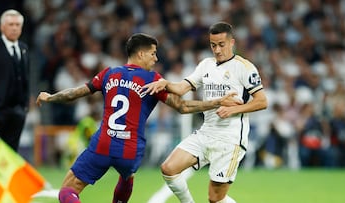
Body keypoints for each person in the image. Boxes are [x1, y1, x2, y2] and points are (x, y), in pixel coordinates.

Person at [36, 33, 241, 203]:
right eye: (153, 53)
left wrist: (50, 97)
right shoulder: (152, 80)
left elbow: (74, 93)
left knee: (67, 191)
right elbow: (183, 106)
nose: (156, 58)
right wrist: (217, 102)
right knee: (127, 176)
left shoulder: (109, 73)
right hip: (130, 149)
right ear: (141, 54)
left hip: (103, 143)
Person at [144, 22, 268, 203]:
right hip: (206, 132)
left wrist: (235, 109)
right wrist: (165, 83)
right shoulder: (206, 65)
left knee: (215, 199)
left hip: (230, 139)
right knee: (169, 168)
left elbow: (262, 101)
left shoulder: (244, 67)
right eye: (213, 45)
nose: (217, 50)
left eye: (221, 44)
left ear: (231, 42)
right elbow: (181, 88)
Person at [0, 9, 30, 151]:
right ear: (1, 27)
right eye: (11, 24)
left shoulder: (23, 48)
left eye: (17, 24)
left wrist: (24, 107)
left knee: (11, 153)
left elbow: (25, 78)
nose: (14, 28)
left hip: (17, 111)